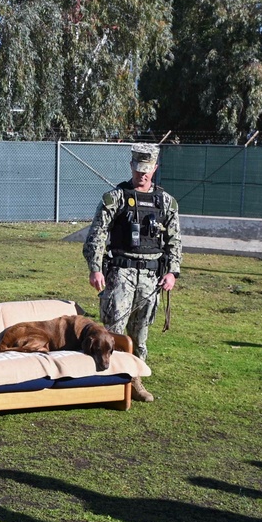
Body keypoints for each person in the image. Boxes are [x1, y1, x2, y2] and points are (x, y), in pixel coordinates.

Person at [82, 143, 182, 402]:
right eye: (138, 169)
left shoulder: (166, 202)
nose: (142, 174)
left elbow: (175, 241)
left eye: (147, 170)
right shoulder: (115, 198)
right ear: (131, 166)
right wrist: (95, 268)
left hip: (151, 279)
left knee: (140, 336)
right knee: (113, 332)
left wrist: (172, 272)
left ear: (155, 168)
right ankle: (108, 383)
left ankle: (135, 382)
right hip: (120, 275)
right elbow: (97, 234)